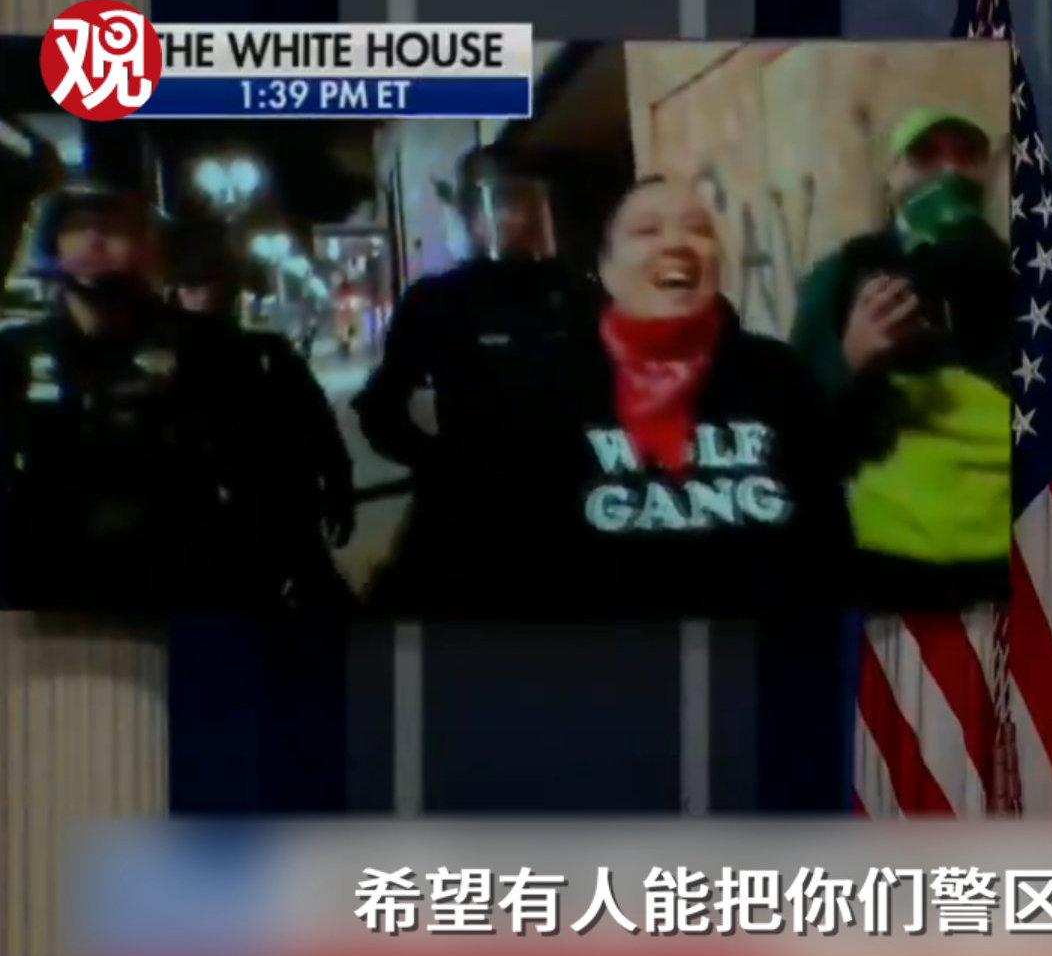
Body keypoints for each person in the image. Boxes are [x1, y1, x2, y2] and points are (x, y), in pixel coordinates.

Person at [565, 173, 848, 616]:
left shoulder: (779, 376)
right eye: (647, 230)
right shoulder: (548, 388)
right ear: (606, 268)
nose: (677, 243)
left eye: (698, 230)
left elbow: (827, 541)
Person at [0, 183, 285, 611]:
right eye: (78, 226)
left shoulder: (211, 350)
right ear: (52, 244)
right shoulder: (15, 354)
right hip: (48, 593)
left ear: (149, 246)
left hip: (184, 587)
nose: (95, 239)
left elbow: (263, 479)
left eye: (115, 228)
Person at [351, 143, 602, 614]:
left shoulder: (577, 294)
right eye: (500, 205)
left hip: (573, 506)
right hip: (473, 515)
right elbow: (381, 408)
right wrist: (440, 464)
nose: (514, 218)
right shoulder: (437, 301)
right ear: (471, 215)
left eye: (526, 203)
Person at [789, 107, 1013, 607]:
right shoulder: (844, 273)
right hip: (887, 561)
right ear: (892, 177)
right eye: (925, 156)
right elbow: (793, 419)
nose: (949, 171)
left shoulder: (1029, 279)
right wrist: (851, 359)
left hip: (1011, 560)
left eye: (967, 156)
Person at [168, 223, 357, 608]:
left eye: (218, 283)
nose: (210, 295)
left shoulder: (267, 353)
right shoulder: (164, 363)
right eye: (198, 286)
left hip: (283, 521)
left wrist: (338, 486)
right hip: (209, 533)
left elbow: (318, 424)